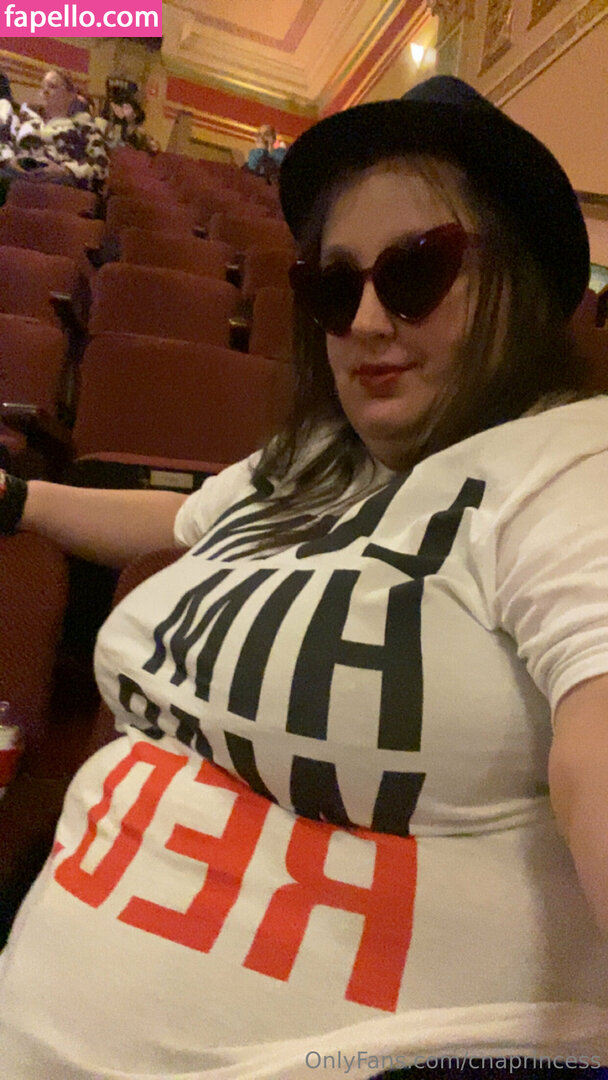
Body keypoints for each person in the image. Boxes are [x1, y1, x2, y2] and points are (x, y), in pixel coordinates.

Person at [0, 74, 607, 1079]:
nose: (364, 320)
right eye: (333, 286)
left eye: (415, 272)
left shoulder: (572, 465)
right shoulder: (311, 460)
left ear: (527, 288)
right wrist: (18, 499)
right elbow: (180, 524)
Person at [8, 68, 109, 190]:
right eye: (42, 87)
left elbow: (101, 165)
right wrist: (11, 161)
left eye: (52, 86)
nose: (45, 91)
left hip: (58, 183)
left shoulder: (84, 126)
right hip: (20, 177)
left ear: (71, 95)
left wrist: (65, 170)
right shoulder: (27, 122)